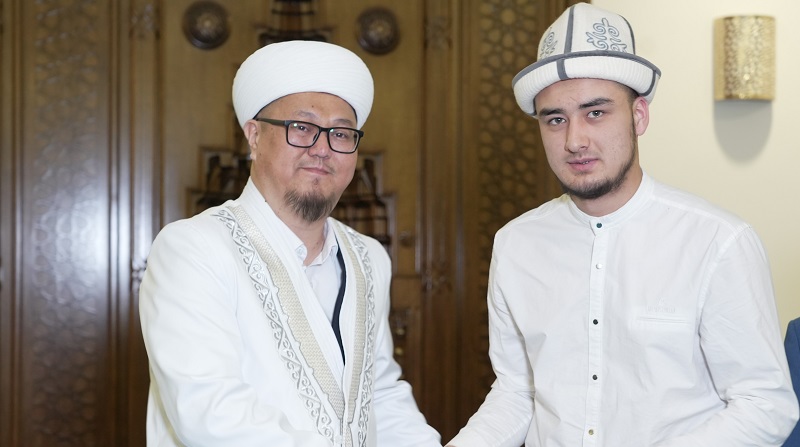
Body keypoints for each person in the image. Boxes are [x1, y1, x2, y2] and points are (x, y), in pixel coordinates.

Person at [446, 3, 799, 446]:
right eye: (555, 119)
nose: (574, 140)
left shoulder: (718, 241)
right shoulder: (516, 243)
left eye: (596, 112)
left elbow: (764, 404)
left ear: (639, 116)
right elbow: (517, 392)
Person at [139, 40, 441, 447]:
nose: (322, 148)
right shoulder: (194, 248)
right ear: (254, 135)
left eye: (341, 133)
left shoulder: (368, 256)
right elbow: (209, 413)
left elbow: (380, 394)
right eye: (302, 127)